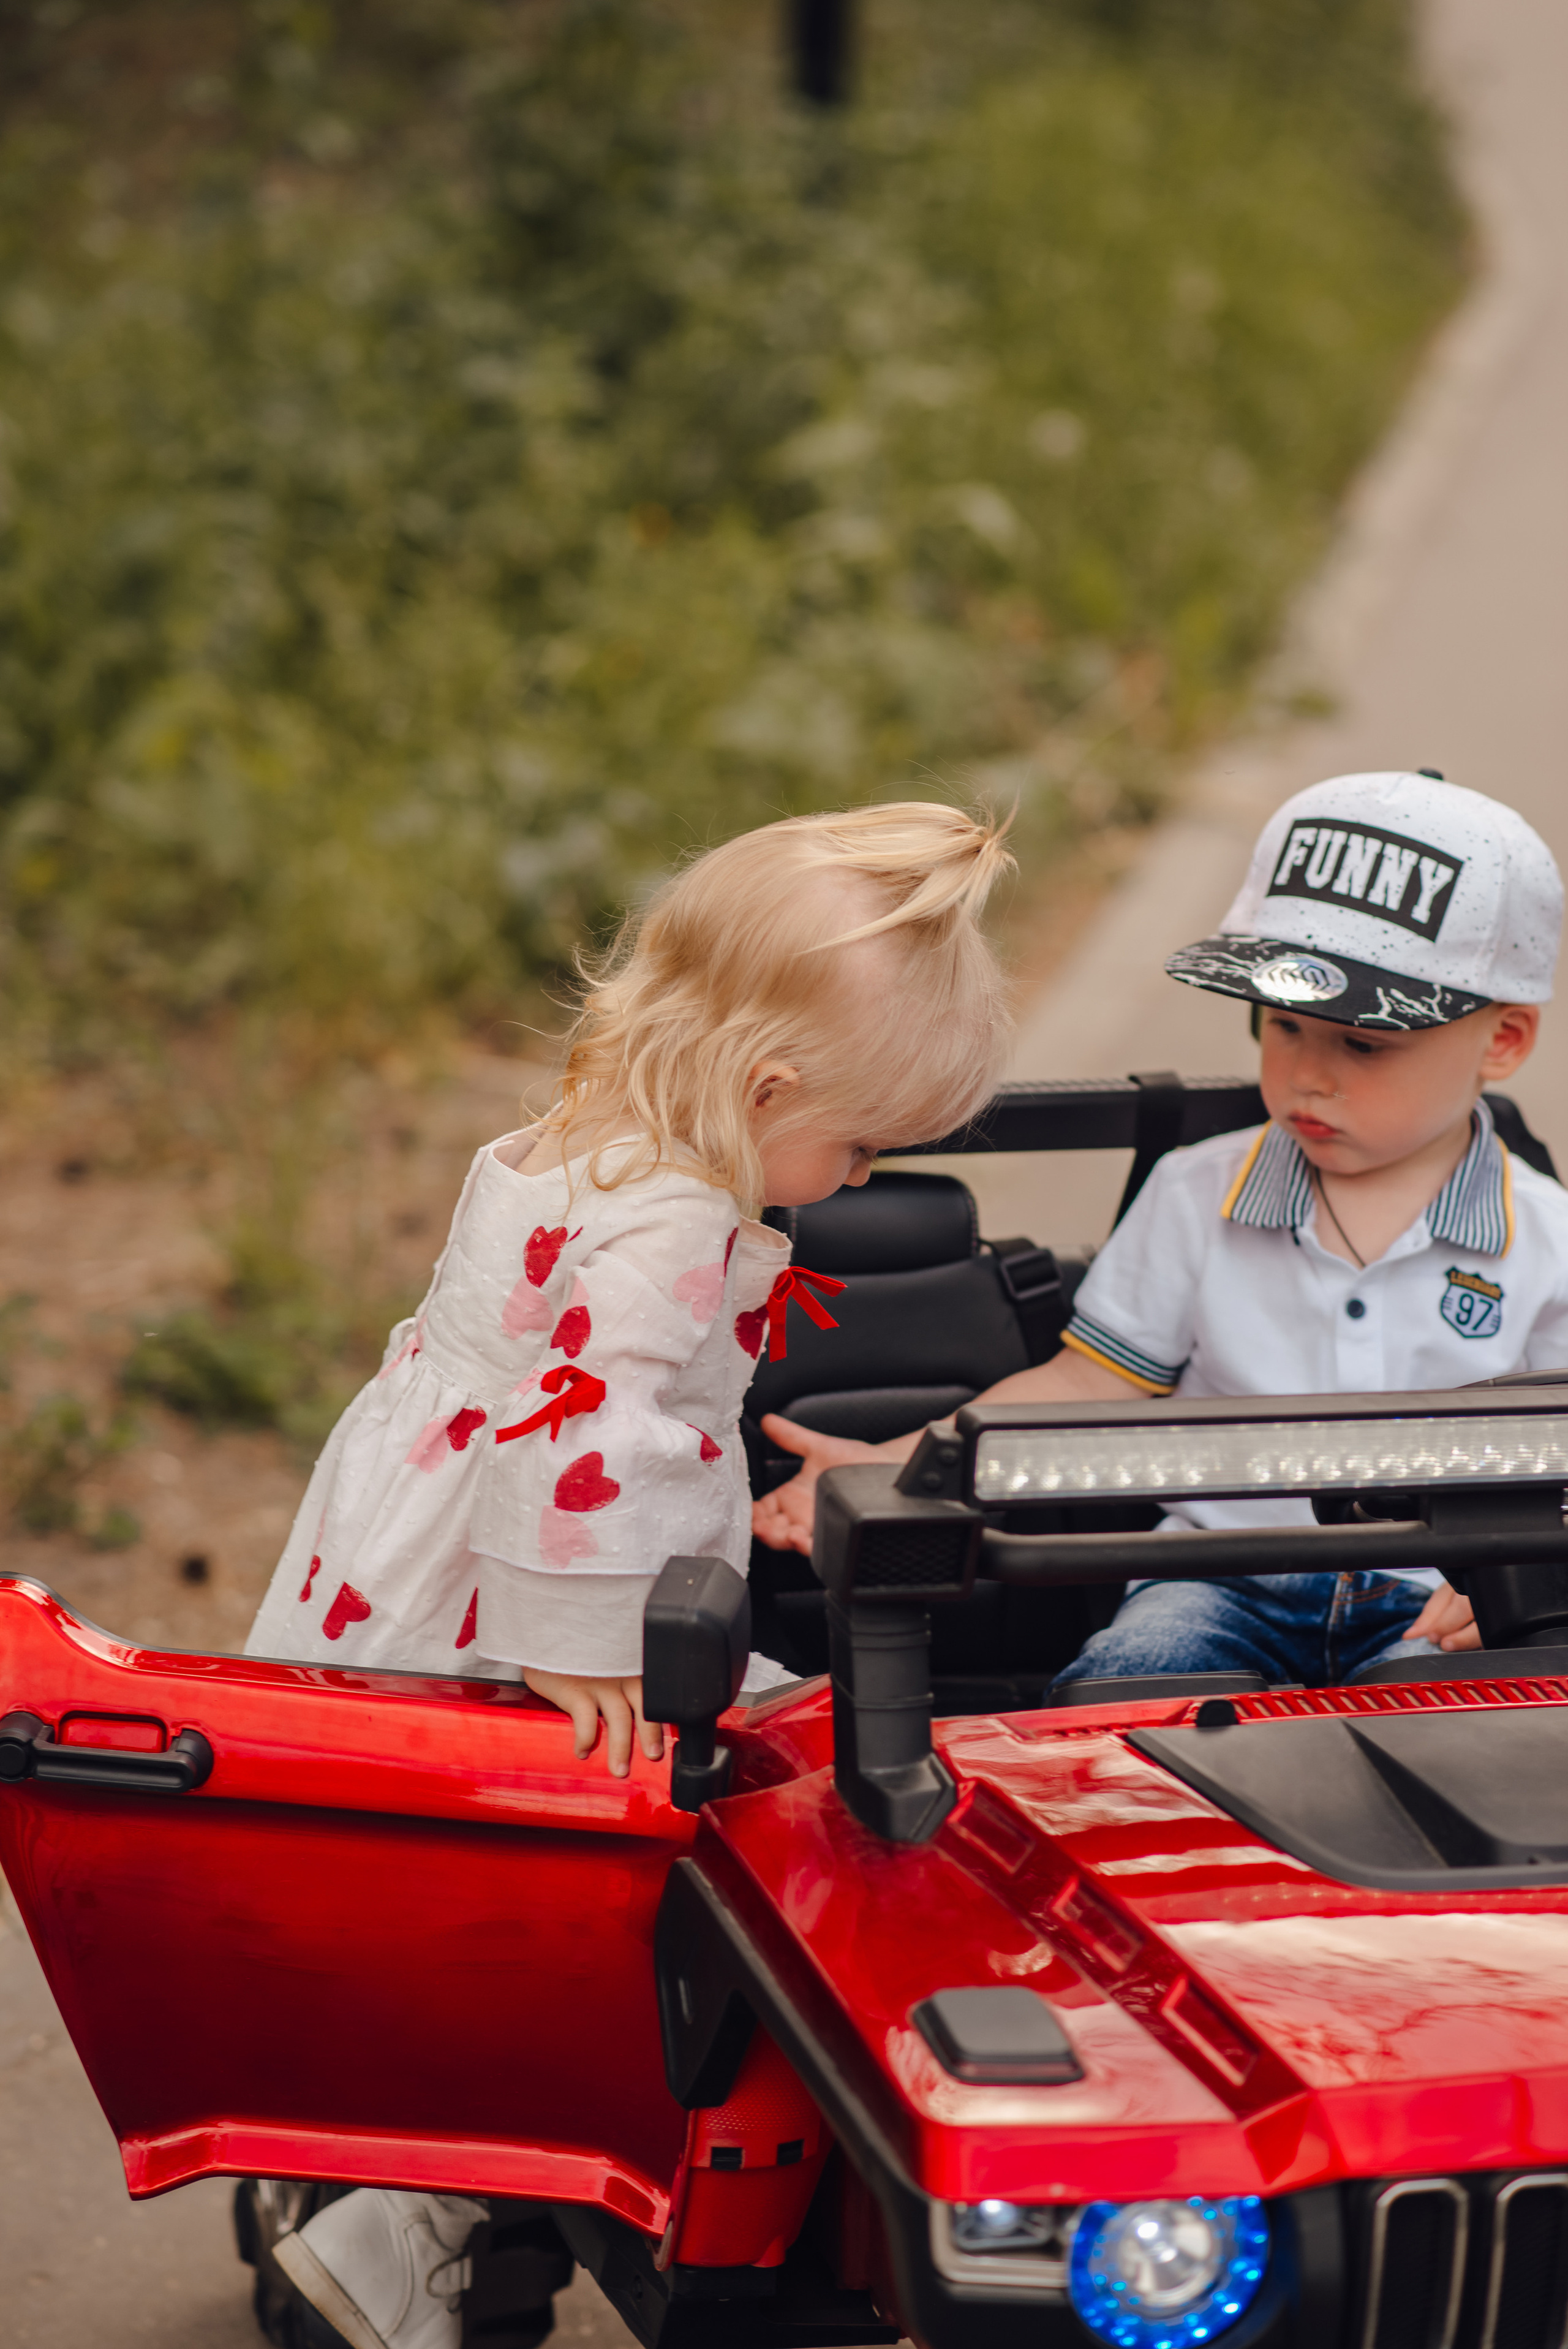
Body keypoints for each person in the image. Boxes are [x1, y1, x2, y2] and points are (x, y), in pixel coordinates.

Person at [245, 800, 1014, 2349]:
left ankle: (394, 2179)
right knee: (622, 1876)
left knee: (468, 1901)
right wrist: (591, 1642)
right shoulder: (670, 1219)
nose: (850, 1181)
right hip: (523, 1599)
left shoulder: (600, 1124)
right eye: (857, 1146)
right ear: (766, 1089)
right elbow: (589, 1430)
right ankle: (416, 2225)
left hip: (415, 1547)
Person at [754, 771, 1568, 1685]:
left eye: (1364, 1042)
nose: (1309, 1074)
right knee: (1118, 1695)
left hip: (1443, 1596)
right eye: (1285, 1026)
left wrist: (1528, 1568)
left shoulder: (1548, 1241)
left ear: (1504, 1039)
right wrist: (893, 1464)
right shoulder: (1194, 1192)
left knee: (1474, 1721)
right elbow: (1082, 1384)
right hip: (1219, 1578)